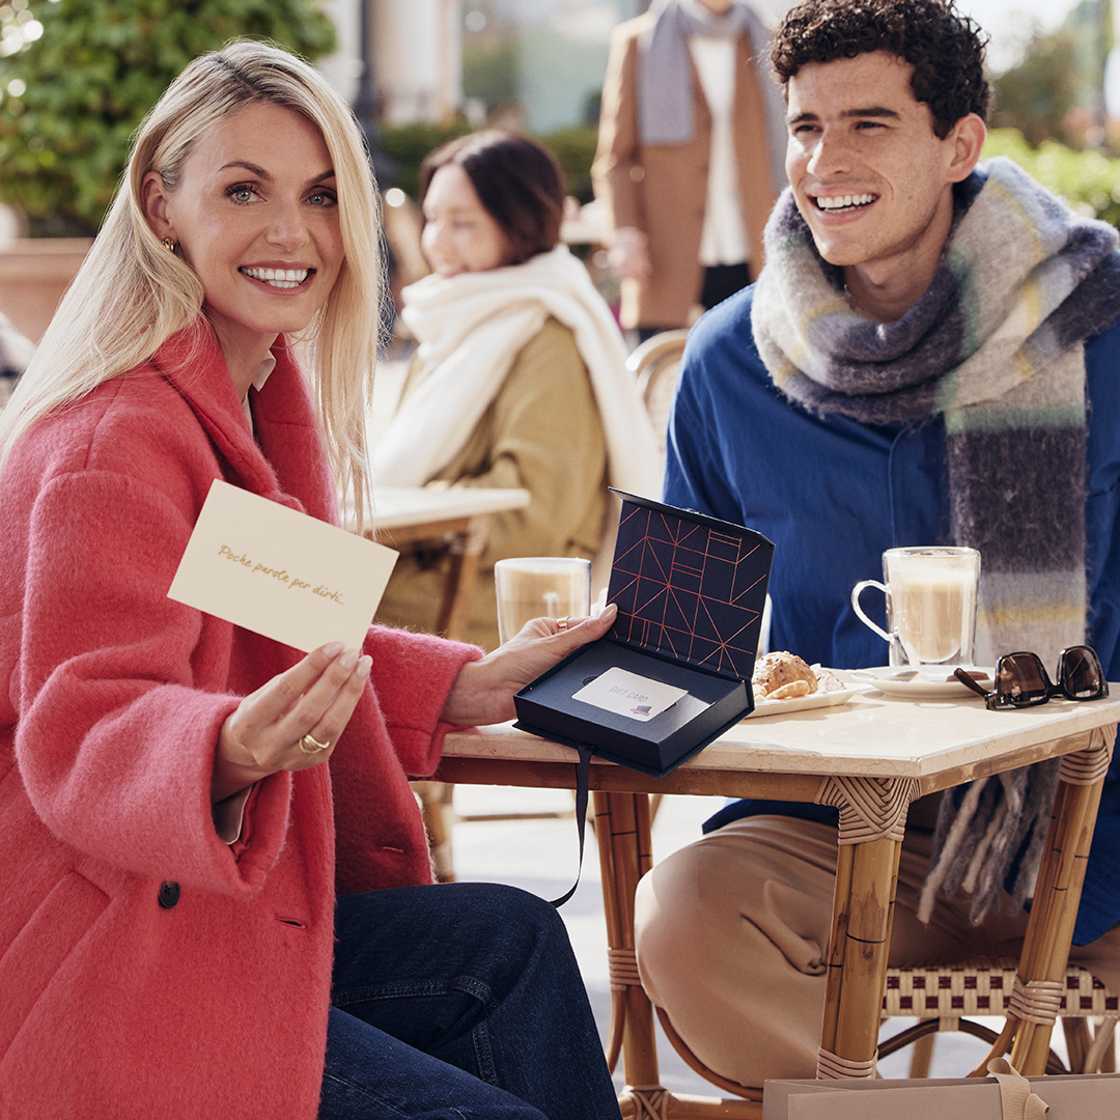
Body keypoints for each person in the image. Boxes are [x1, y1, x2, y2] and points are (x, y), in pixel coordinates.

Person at [0, 41, 624, 1120]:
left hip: (199, 909)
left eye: (323, 195)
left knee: (510, 939)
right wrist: (229, 748)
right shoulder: (115, 441)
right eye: (244, 190)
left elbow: (274, 622)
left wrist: (465, 683)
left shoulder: (247, 396)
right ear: (160, 205)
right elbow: (86, 719)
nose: (293, 232)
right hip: (103, 949)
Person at [633, 0, 1120, 1091]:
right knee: (684, 917)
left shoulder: (1101, 325)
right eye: (806, 127)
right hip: (850, 834)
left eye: (868, 125)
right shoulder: (729, 362)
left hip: (1099, 826)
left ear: (958, 144)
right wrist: (603, 668)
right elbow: (675, 638)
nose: (823, 162)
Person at [374, 130, 659, 649]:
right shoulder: (456, 323)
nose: (438, 241)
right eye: (432, 219)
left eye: (463, 223)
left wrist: (404, 516)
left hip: (492, 598)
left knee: (271, 588)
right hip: (427, 564)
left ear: (518, 224)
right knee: (241, 564)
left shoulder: (548, 337)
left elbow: (533, 519)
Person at [592, 0, 787, 341]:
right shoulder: (639, 42)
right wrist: (624, 232)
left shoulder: (767, 39)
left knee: (750, 368)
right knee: (664, 369)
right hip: (665, 258)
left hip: (753, 249)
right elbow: (617, 158)